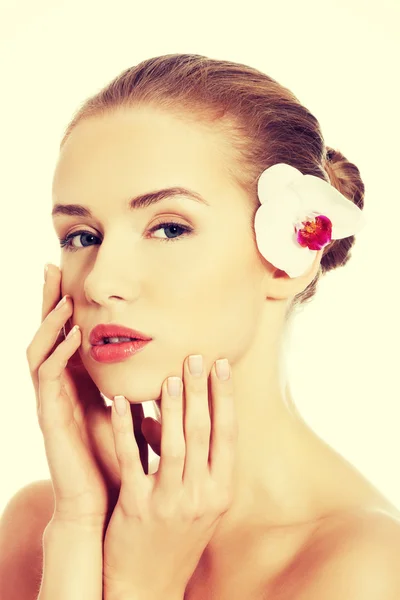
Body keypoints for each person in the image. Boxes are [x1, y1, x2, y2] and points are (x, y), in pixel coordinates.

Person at [1, 52, 400, 600]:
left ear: (290, 258)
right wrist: (78, 524)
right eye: (81, 236)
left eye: (167, 228)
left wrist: (140, 586)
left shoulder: (363, 568)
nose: (97, 283)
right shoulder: (40, 525)